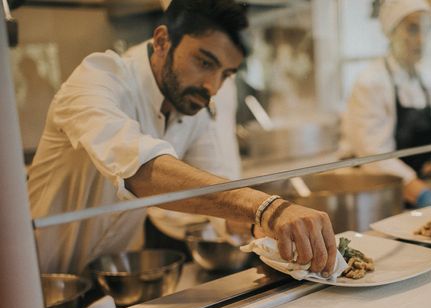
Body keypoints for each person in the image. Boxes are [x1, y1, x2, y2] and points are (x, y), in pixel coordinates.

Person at [28, 0, 336, 277]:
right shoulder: (99, 79)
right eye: (204, 63)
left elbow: (221, 189)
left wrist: (260, 226)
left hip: (106, 283)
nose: (211, 87)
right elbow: (140, 170)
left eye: (225, 74)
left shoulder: (193, 107)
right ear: (162, 41)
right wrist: (268, 208)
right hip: (31, 286)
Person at [341, 0, 431, 208]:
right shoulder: (370, 83)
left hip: (414, 197)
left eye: (426, 29)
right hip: (377, 200)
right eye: (412, 29)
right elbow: (375, 157)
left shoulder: (430, 84)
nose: (421, 40)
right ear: (391, 32)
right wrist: (424, 196)